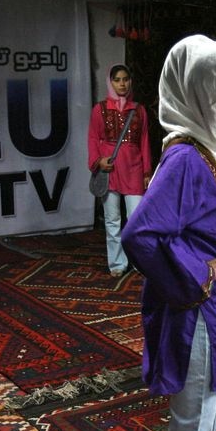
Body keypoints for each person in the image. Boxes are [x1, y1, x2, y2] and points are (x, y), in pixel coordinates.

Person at [121, 35, 216, 431]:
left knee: (215, 407)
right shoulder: (187, 159)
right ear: (199, 91)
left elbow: (202, 228)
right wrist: (203, 273)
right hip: (195, 312)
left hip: (212, 307)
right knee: (194, 424)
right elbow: (140, 235)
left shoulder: (208, 152)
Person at [87, 64, 152, 277]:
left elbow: (144, 141)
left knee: (136, 221)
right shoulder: (100, 109)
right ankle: (117, 264)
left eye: (125, 79)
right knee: (112, 220)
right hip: (110, 169)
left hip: (133, 169)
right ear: (111, 82)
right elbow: (93, 138)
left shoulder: (139, 110)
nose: (122, 83)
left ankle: (139, 262)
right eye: (117, 79)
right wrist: (98, 161)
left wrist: (146, 172)